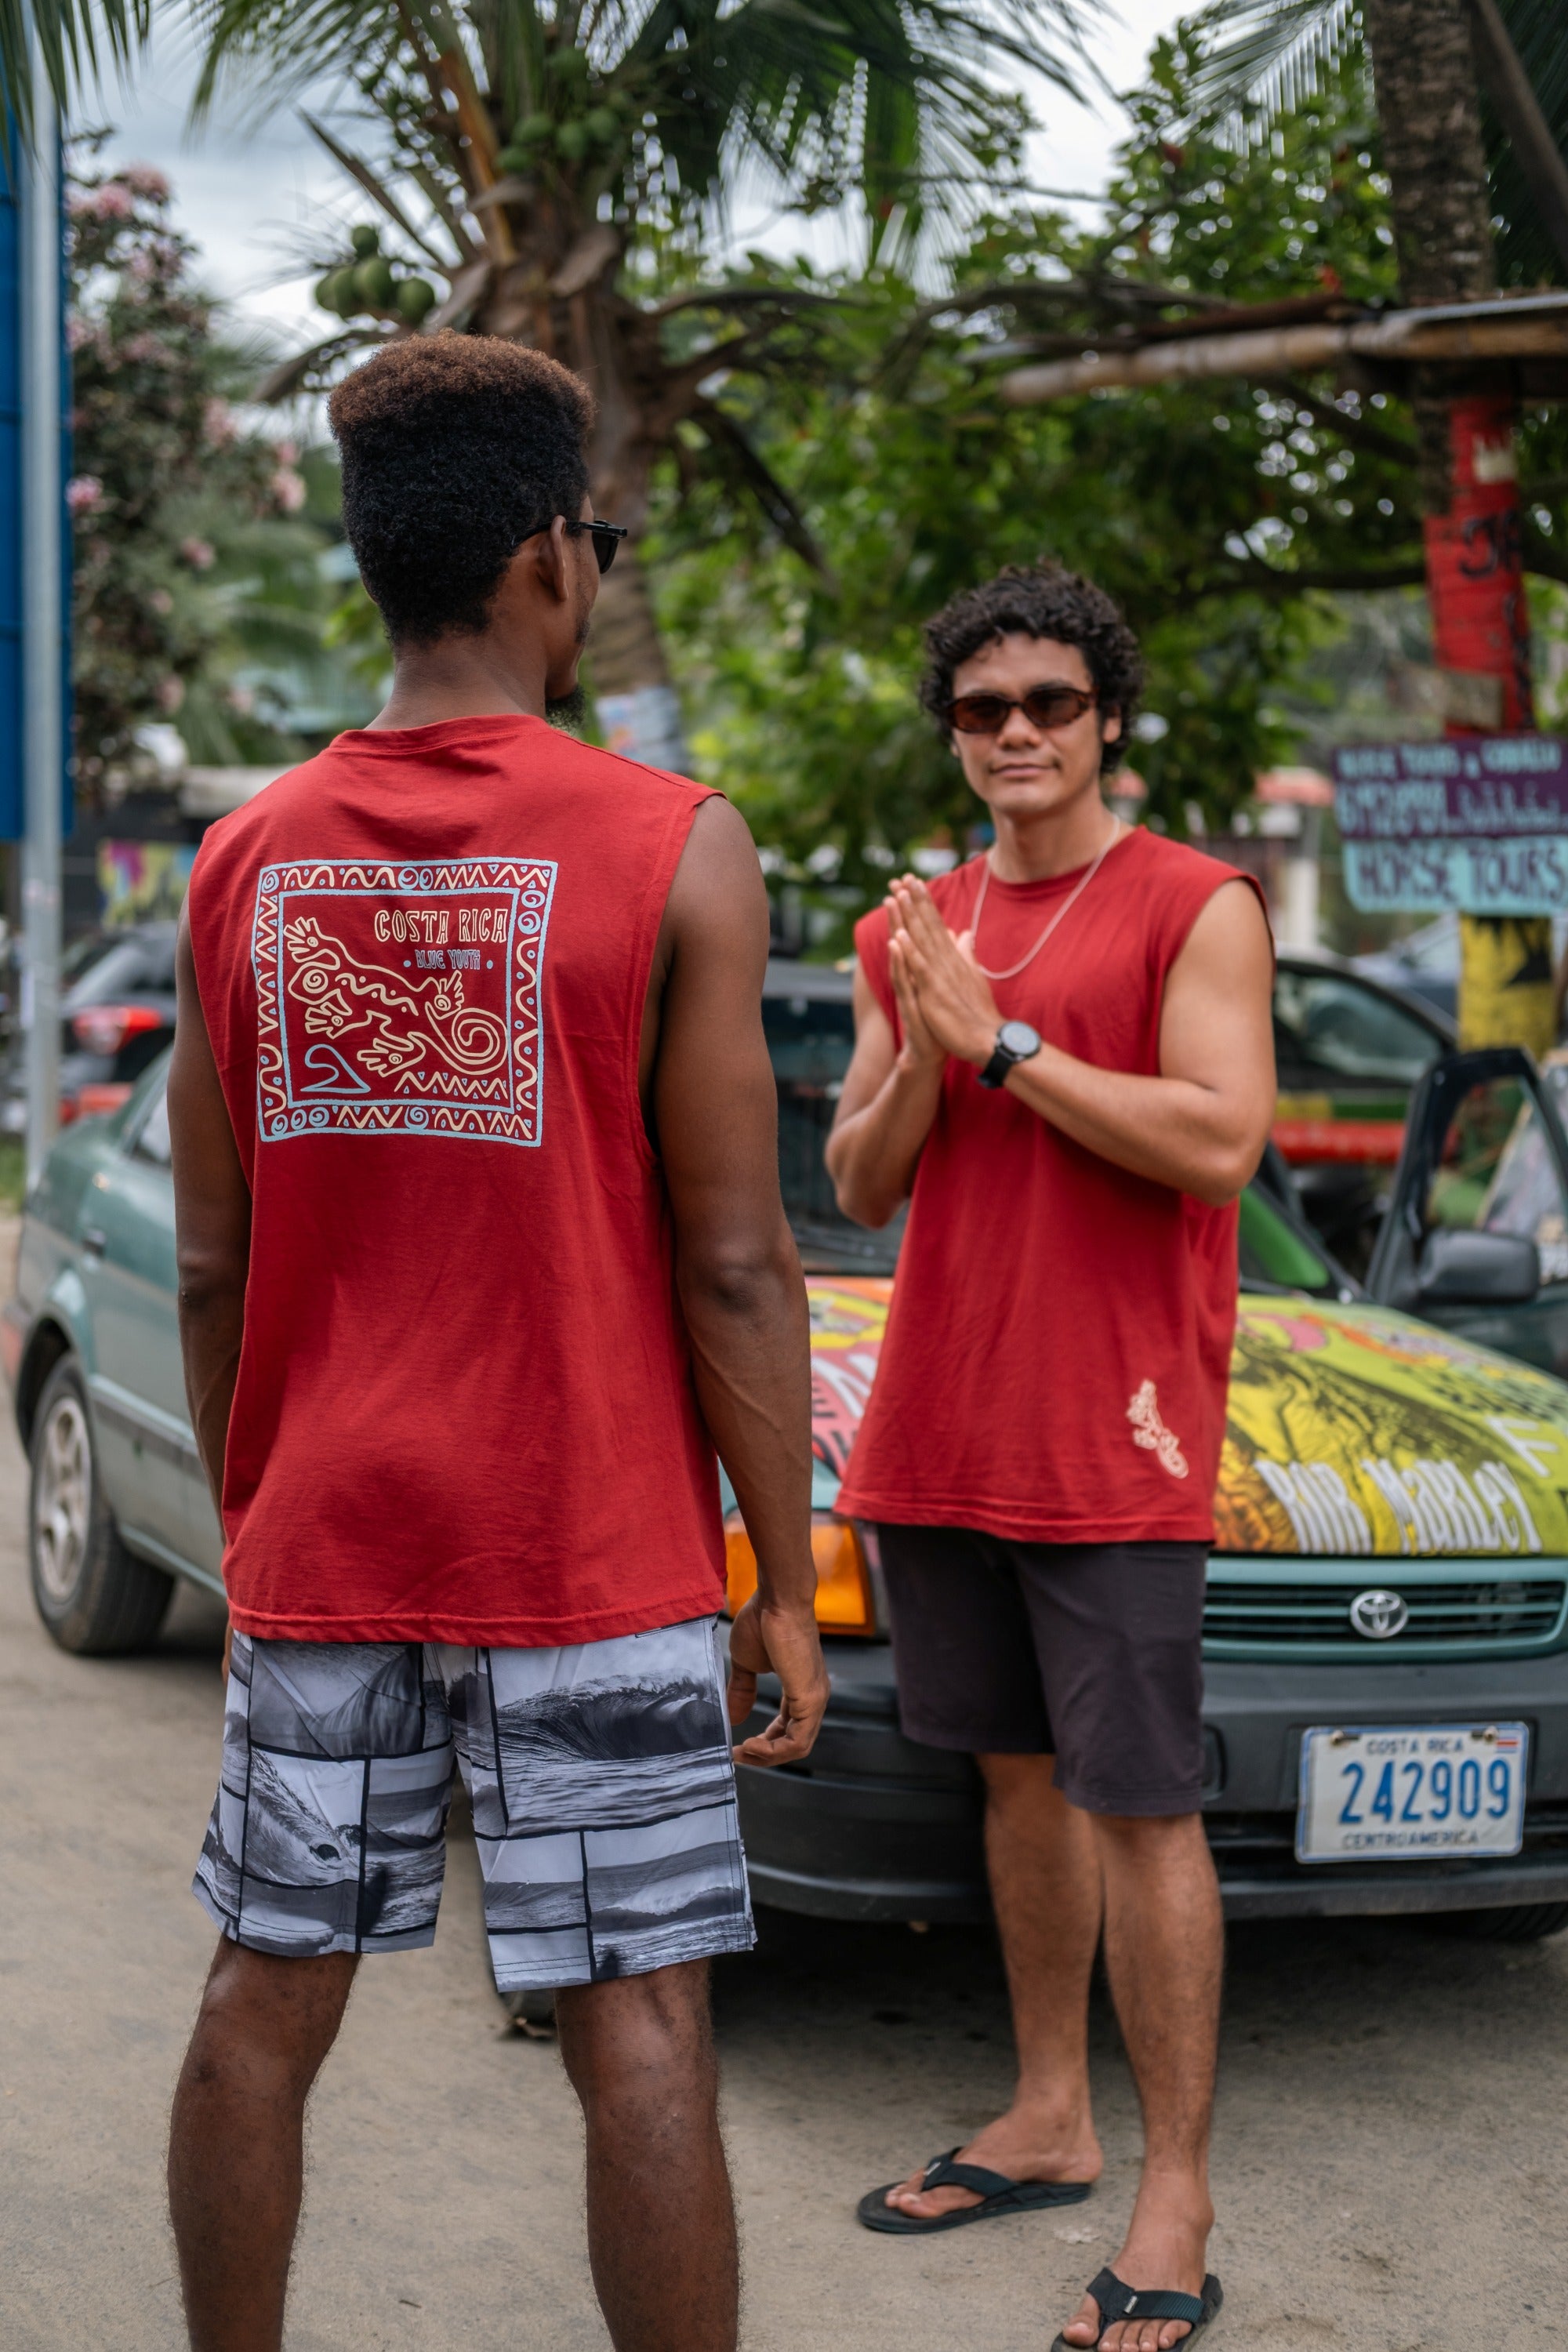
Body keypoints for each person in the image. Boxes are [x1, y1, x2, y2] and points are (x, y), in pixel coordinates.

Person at [164, 332, 829, 2352]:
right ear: (553, 559)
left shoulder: (241, 861)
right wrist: (782, 1585)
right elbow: (733, 1262)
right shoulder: (672, 845)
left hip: (328, 1539)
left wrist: (260, 1517)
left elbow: (212, 1266)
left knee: (264, 2004)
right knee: (636, 2028)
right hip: (593, 1550)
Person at [827, 564, 1276, 2352]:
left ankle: (1174, 2192)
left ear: (1105, 720)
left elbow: (1221, 1139)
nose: (1015, 733)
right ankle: (1048, 2117)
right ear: (952, 731)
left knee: (1141, 1806)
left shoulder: (1191, 902)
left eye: (1050, 705)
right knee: (1011, 1783)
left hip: (1119, 1429)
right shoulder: (908, 929)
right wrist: (935, 1047)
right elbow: (861, 1182)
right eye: (982, 708)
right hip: (943, 1420)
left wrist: (1002, 1044)